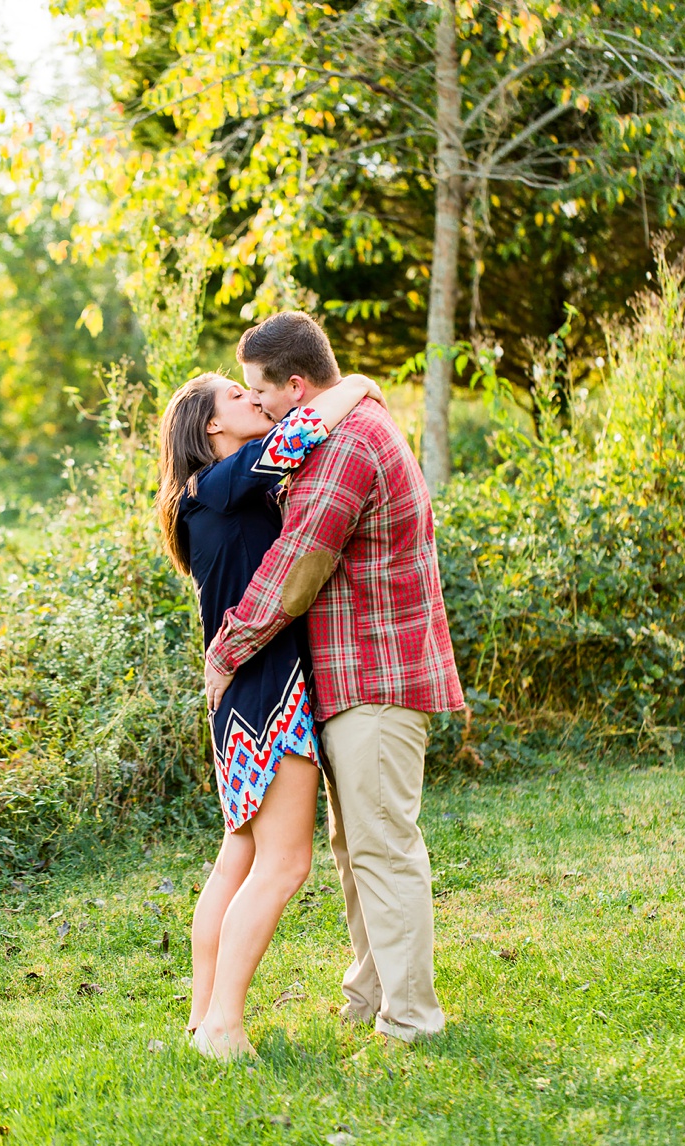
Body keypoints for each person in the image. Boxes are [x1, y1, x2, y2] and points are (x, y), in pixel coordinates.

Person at [203, 311, 464, 1045]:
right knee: (361, 848)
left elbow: (297, 565)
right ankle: (368, 993)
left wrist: (227, 649)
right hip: (355, 678)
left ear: (294, 384)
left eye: (260, 391)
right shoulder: (348, 427)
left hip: (376, 677)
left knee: (383, 848)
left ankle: (411, 1019)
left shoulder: (349, 444)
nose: (258, 406)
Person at [156, 368, 383, 1060]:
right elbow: (304, 429)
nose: (251, 399)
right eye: (235, 395)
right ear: (210, 428)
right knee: (284, 864)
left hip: (238, 700)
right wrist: (359, 385)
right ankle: (224, 1025)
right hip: (266, 695)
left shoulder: (204, 501)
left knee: (239, 860)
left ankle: (202, 1019)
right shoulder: (219, 487)